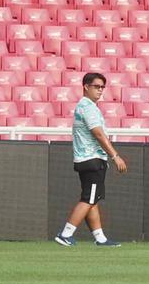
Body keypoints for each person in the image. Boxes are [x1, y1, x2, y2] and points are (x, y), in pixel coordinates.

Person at [55, 72, 128, 247]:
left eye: (102, 87)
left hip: (86, 159)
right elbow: (98, 134)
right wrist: (115, 156)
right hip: (92, 159)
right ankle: (66, 233)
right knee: (89, 198)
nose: (100, 90)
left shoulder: (87, 106)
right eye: (96, 86)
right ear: (86, 87)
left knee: (91, 199)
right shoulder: (87, 107)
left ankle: (99, 237)